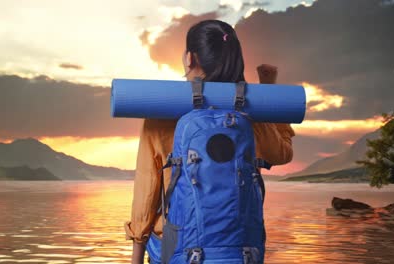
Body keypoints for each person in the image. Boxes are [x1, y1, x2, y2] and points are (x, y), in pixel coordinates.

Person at [125, 19, 295, 264]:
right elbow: (283, 154)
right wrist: (269, 93)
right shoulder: (251, 114)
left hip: (179, 250)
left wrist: (136, 257)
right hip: (239, 251)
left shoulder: (160, 112)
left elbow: (146, 190)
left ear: (190, 58)